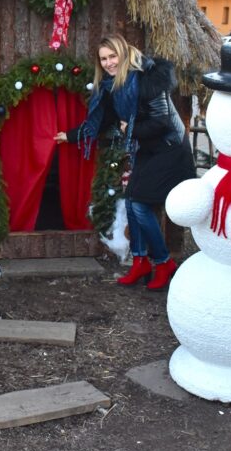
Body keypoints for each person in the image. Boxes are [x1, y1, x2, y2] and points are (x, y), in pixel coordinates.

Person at [56, 35, 197, 290]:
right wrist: (71, 135)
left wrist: (129, 128)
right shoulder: (113, 86)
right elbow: (102, 121)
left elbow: (161, 121)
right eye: (104, 59)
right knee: (131, 202)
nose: (109, 63)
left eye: (113, 56)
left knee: (140, 206)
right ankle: (140, 262)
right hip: (148, 148)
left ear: (123, 54)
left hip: (170, 149)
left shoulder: (145, 78)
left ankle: (163, 262)